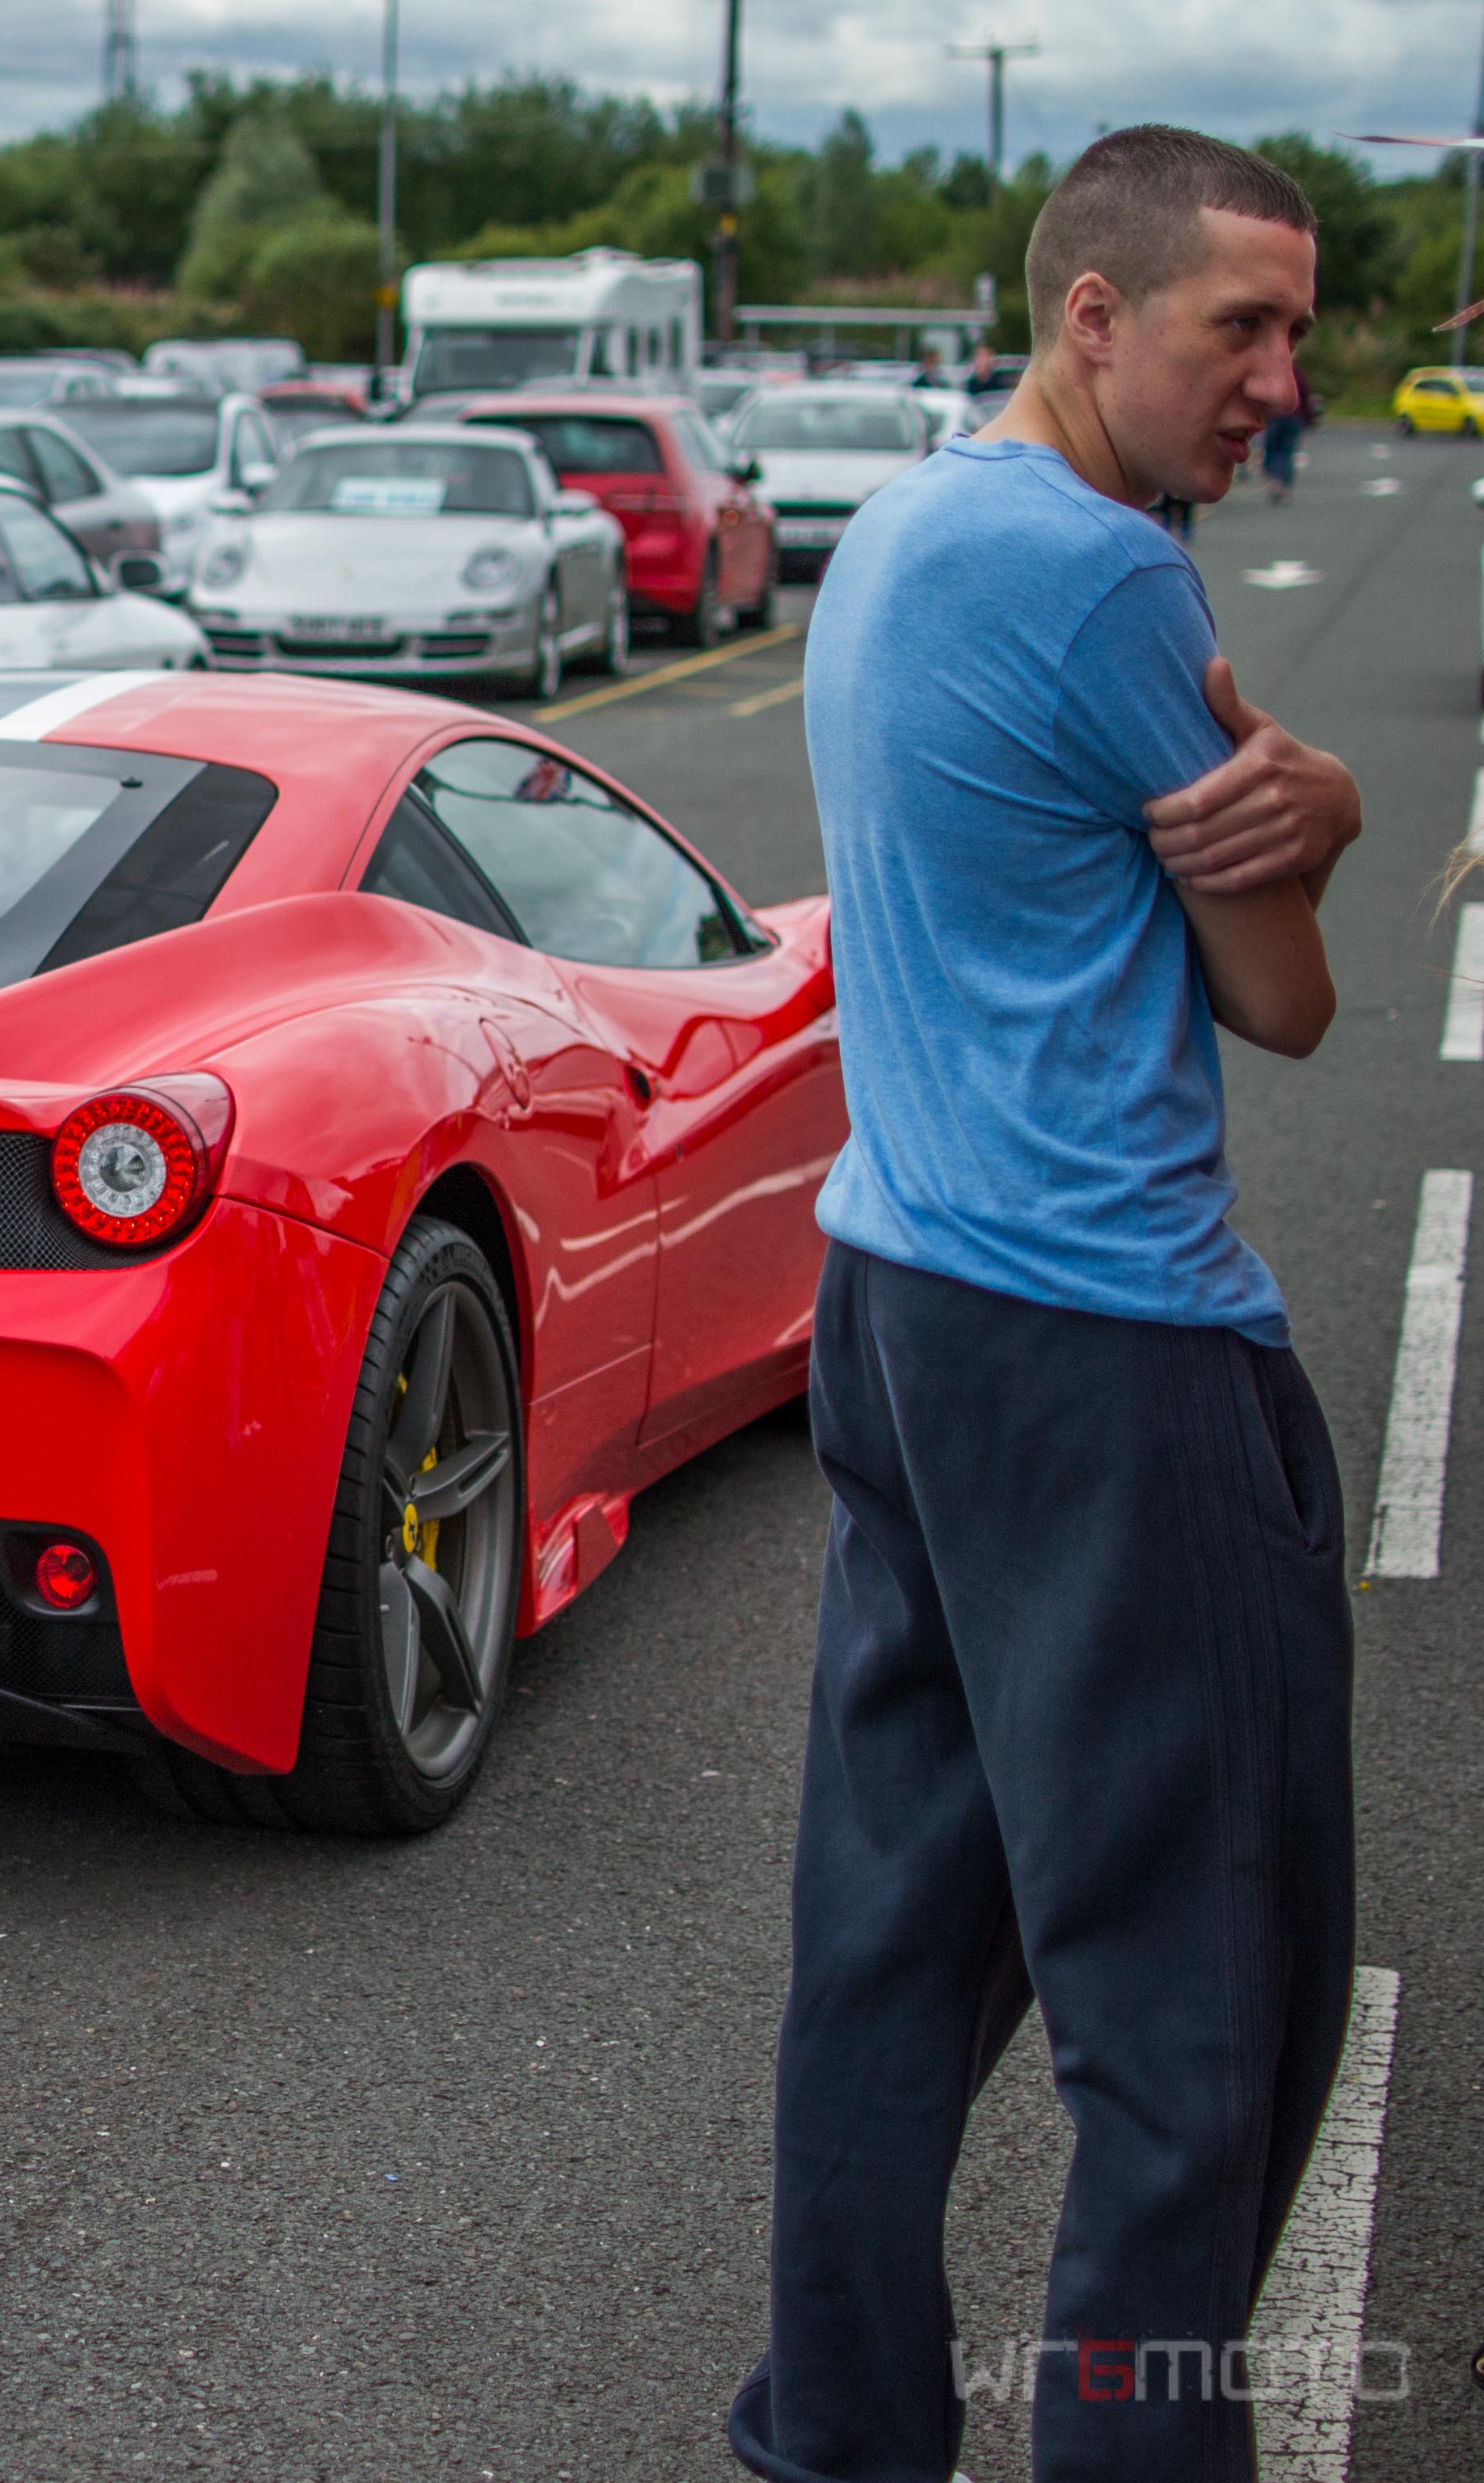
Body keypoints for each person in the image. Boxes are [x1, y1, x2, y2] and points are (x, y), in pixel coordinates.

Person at [730, 129, 1359, 2483]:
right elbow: (1285, 995)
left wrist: (1287, 796)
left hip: (901, 1302)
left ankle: (842, 2432)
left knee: (895, 1949)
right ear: (1092, 313)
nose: (1277, 382)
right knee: (1197, 2018)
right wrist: (1328, 812)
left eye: (1296, 332)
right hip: (1107, 1343)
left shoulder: (907, 527)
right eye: (1238, 327)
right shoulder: (1101, 575)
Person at [1261, 361, 1313, 503]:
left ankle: (1276, 481)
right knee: (1287, 452)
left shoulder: (1272, 374)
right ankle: (1284, 485)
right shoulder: (1298, 376)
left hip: (1276, 418)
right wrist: (1309, 421)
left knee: (1273, 449)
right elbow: (1306, 399)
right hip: (1294, 418)